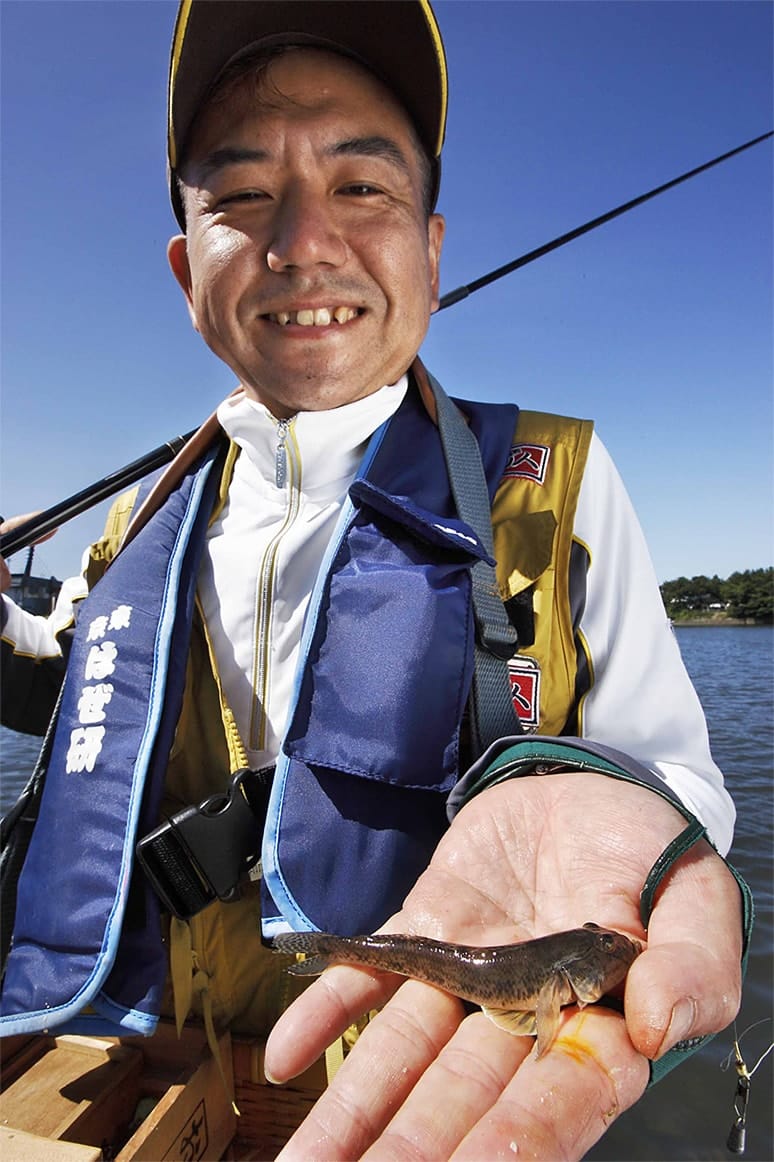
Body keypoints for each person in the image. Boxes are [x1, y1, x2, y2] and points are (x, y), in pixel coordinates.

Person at [0, 3, 749, 1159]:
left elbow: (675, 772)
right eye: (241, 195)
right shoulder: (133, 524)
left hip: (421, 1080)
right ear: (181, 267)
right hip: (133, 1065)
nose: (302, 241)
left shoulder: (551, 484)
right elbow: (86, 699)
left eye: (361, 186)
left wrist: (643, 826)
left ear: (434, 250)